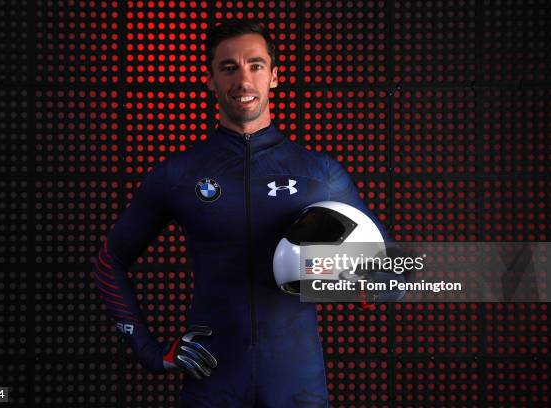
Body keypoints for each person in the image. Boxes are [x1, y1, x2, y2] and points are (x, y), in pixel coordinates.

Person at [93, 19, 399, 407]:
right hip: (213, 376)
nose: (243, 80)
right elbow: (109, 261)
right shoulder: (178, 174)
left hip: (295, 378)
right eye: (228, 67)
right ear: (210, 80)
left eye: (255, 65)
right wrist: (150, 352)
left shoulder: (319, 173)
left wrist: (355, 279)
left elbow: (394, 271)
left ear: (274, 76)